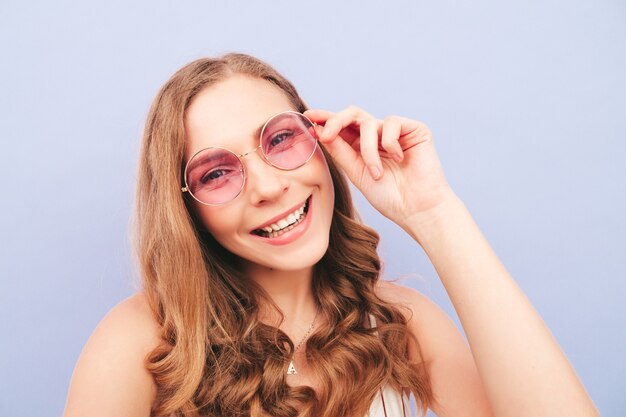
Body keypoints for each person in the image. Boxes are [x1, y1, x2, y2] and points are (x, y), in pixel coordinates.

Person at [62, 53, 599, 417]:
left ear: (320, 140)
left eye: (280, 139)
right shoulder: (142, 342)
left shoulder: (401, 324)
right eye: (217, 172)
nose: (270, 187)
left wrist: (434, 213)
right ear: (187, 208)